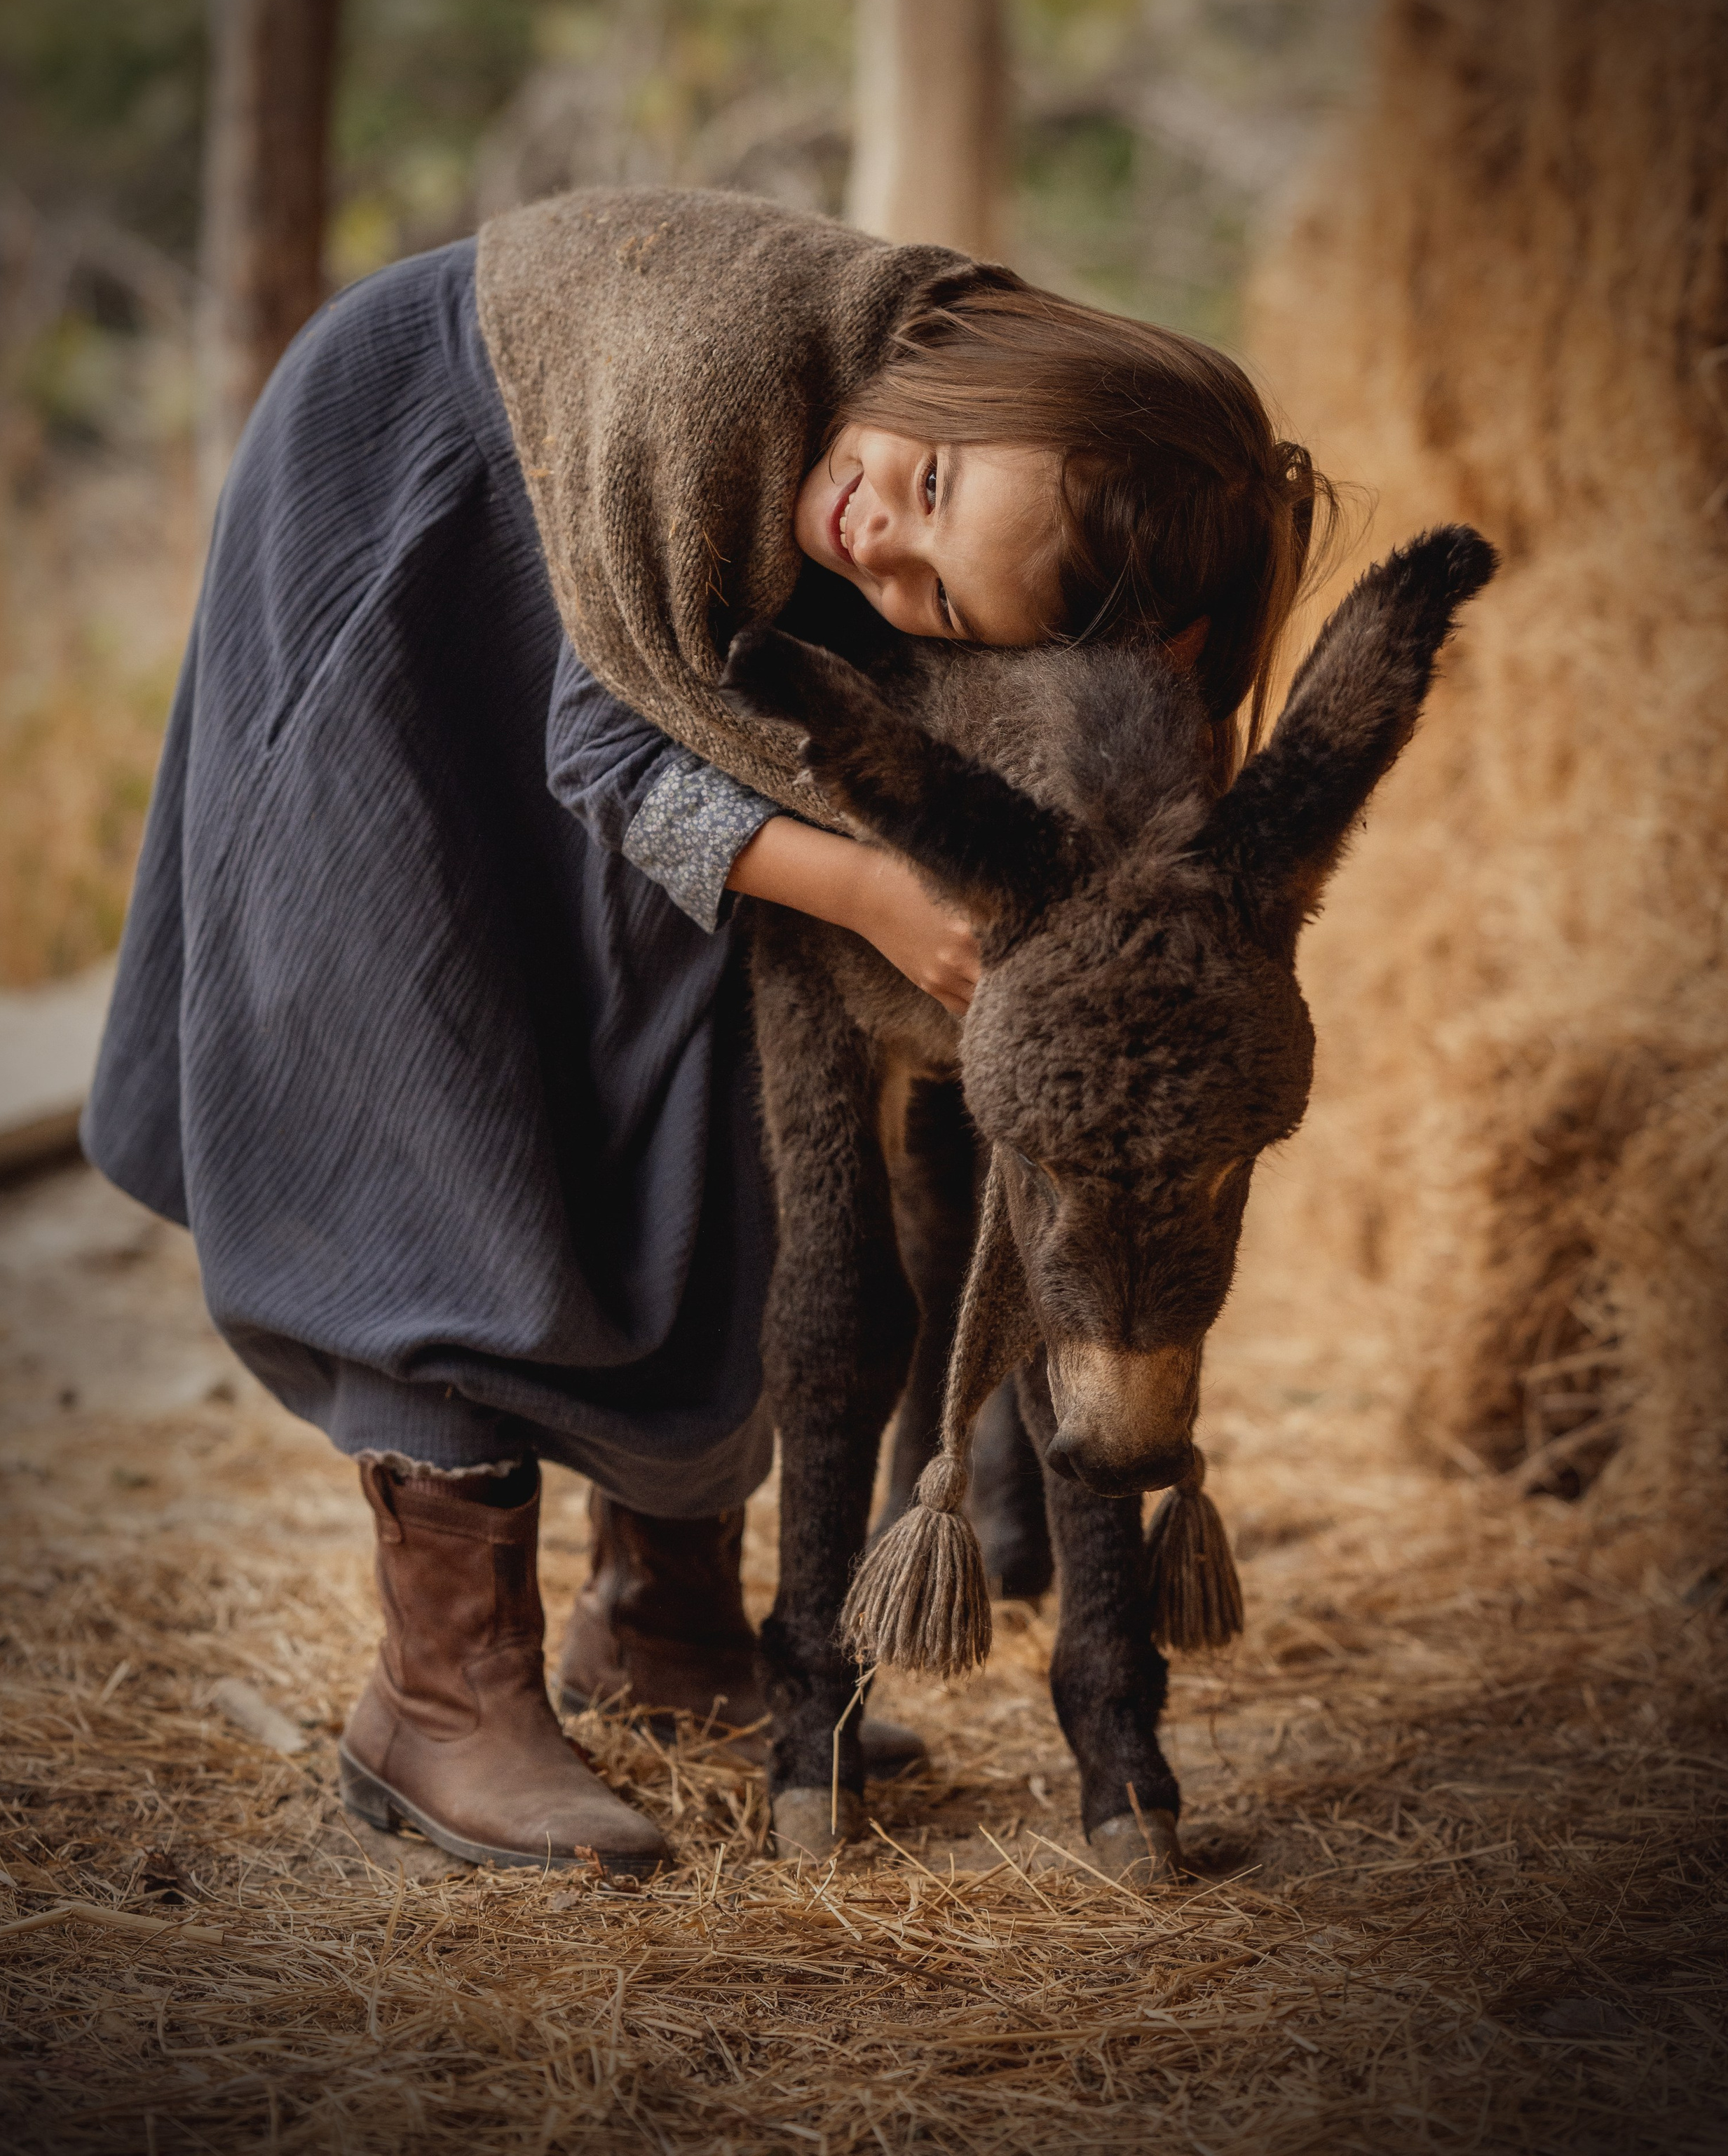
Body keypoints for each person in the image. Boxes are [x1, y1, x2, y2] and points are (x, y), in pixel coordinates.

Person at [84, 196, 1326, 1877]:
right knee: (433, 1035)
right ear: (979, 378)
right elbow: (612, 759)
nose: (881, 541)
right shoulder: (725, 395)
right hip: (436, 478)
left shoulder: (893, 479)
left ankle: (663, 1619)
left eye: (938, 603)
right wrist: (884, 894)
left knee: (704, 1051)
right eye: (924, 496)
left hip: (646, 599)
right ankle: (441, 1693)